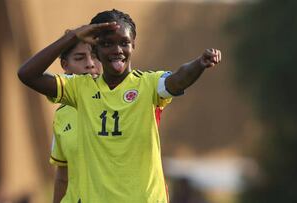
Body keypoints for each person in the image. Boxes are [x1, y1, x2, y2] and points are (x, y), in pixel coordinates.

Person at [17, 9, 221, 203]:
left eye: (124, 43)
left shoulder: (149, 85)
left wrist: (199, 64)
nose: (117, 50)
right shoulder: (80, 89)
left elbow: (178, 79)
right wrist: (73, 36)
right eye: (107, 44)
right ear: (95, 49)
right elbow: (27, 74)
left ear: (133, 45)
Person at [49, 41, 102, 203]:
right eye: (80, 58)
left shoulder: (119, 101)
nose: (90, 64)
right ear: (65, 65)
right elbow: (62, 176)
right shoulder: (61, 114)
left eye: (95, 56)